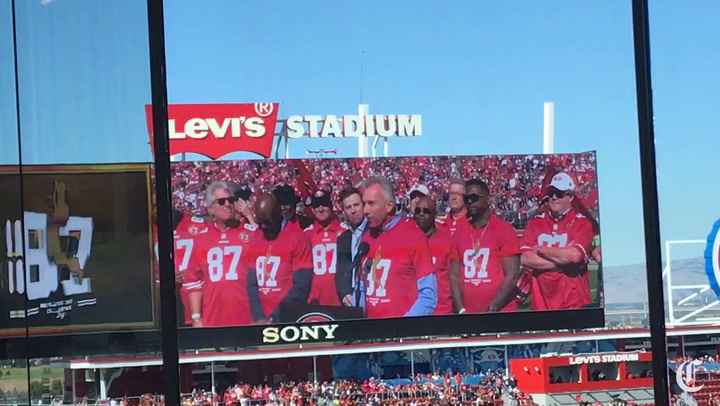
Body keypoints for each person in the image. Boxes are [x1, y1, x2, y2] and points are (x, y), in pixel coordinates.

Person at [359, 176, 437, 318]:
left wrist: (403, 327)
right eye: (364, 204)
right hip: (371, 334)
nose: (365, 210)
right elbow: (362, 290)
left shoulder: (414, 237)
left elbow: (428, 295)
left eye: (371, 204)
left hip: (403, 334)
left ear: (389, 205)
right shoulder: (366, 240)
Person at [520, 172, 595, 310]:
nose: (554, 197)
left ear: (571, 197)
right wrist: (562, 263)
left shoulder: (582, 223)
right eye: (551, 192)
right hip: (541, 302)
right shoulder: (535, 222)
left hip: (573, 301)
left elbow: (574, 256)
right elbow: (524, 258)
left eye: (559, 193)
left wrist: (542, 250)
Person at [183, 181, 254, 327]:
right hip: (213, 317)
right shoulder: (201, 239)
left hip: (247, 316)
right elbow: (193, 281)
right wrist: (196, 317)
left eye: (231, 200)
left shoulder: (249, 234)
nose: (227, 204)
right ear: (210, 209)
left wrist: (249, 216)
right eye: (221, 201)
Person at [451, 179, 521, 314]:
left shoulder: (504, 230)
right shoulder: (459, 232)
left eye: (474, 198)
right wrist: (460, 310)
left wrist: (491, 310)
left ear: (488, 200)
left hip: (500, 313)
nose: (470, 202)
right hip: (468, 314)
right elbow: (454, 276)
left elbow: (511, 276)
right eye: (466, 198)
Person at [245, 193, 313, 323]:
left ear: (278, 214)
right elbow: (252, 284)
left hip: (289, 318)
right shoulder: (256, 237)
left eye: (266, 221)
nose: (263, 227)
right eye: (260, 223)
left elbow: (302, 285)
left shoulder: (298, 237)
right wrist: (259, 317)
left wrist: (274, 318)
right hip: (260, 319)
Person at [413, 196, 458, 315]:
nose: (421, 214)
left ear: (434, 214)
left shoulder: (447, 242)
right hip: (415, 311)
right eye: (418, 211)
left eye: (426, 211)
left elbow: (454, 279)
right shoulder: (408, 242)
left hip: (441, 312)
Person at [303, 190, 349, 306]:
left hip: (340, 299)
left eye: (324, 204)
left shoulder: (345, 232)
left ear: (331, 206)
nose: (321, 209)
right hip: (314, 300)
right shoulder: (306, 235)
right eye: (317, 206)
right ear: (312, 210)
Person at [335, 187, 369, 307]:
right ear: (343, 212)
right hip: (351, 301)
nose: (353, 211)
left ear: (363, 206)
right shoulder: (343, 239)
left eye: (356, 205)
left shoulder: (374, 232)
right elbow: (341, 270)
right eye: (348, 207)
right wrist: (345, 295)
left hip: (370, 296)